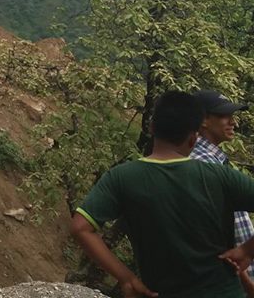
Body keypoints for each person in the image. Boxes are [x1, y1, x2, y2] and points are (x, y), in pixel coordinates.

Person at [71, 90, 254, 298]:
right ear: (194, 137)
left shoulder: (121, 177)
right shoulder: (219, 175)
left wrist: (127, 278)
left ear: (151, 128)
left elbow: (80, 228)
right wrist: (247, 250)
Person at [191, 89, 254, 292]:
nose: (233, 123)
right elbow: (212, 235)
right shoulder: (203, 164)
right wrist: (247, 283)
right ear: (203, 120)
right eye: (224, 116)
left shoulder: (213, 160)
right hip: (232, 278)